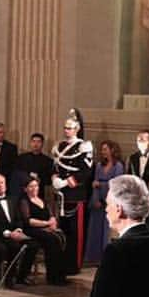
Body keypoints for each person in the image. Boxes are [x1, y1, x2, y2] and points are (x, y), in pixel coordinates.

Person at [50, 110, 93, 274]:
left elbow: (85, 173)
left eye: (69, 128)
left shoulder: (83, 146)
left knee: (76, 233)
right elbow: (55, 167)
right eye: (65, 128)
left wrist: (67, 182)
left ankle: (74, 264)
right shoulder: (59, 146)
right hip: (61, 197)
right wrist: (55, 179)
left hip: (75, 196)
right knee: (62, 231)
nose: (66, 131)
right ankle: (62, 262)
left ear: (77, 129)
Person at [19, 176, 68, 285]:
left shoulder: (42, 200)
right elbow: (28, 221)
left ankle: (59, 275)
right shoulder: (24, 201)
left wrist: (53, 223)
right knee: (52, 240)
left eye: (36, 186)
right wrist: (46, 224)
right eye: (31, 186)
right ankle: (53, 277)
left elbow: (51, 216)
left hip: (45, 228)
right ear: (25, 189)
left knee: (60, 238)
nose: (34, 188)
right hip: (31, 229)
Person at [84, 141, 124, 265]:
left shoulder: (118, 166)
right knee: (95, 228)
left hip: (110, 199)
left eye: (105, 149)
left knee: (107, 229)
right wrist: (96, 199)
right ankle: (94, 257)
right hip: (97, 198)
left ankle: (106, 257)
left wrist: (101, 185)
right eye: (102, 149)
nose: (103, 152)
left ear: (112, 150)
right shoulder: (99, 165)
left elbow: (117, 183)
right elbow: (95, 181)